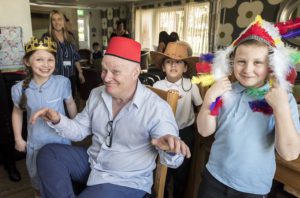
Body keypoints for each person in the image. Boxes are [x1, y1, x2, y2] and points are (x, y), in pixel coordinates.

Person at [31, 36, 191, 198]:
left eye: (115, 72)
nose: (106, 78)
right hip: (93, 162)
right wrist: (57, 119)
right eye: (104, 70)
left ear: (135, 72)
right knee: (48, 154)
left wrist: (171, 150)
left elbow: (173, 159)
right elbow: (79, 130)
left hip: (126, 180)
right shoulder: (97, 94)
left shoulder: (157, 108)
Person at [197, 15, 300, 197]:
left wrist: (281, 109)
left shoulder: (283, 99)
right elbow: (205, 131)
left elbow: (289, 153)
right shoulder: (225, 91)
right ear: (233, 61)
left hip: (251, 188)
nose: (247, 69)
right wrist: (209, 98)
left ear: (270, 66)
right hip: (214, 178)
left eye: (257, 62)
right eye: (241, 61)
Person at [11, 36, 77, 198]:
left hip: (60, 141)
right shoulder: (19, 88)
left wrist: (76, 127)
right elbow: (17, 112)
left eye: (50, 59)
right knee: (38, 183)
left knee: (62, 181)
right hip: (36, 144)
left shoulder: (62, 82)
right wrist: (18, 138)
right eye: (39, 59)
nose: (46, 64)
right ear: (27, 62)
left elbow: (70, 103)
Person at [151, 41, 202, 198]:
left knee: (182, 172)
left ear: (185, 68)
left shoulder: (190, 86)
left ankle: (179, 193)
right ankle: (163, 193)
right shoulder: (158, 85)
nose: (173, 65)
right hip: (163, 132)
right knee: (163, 168)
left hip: (185, 132)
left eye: (178, 62)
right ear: (163, 67)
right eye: (168, 61)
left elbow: (199, 106)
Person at [42, 10, 85, 96]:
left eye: (59, 19)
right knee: (57, 102)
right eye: (54, 20)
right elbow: (43, 58)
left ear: (63, 21)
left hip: (70, 76)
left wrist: (80, 72)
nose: (57, 22)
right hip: (54, 77)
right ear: (51, 22)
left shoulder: (70, 36)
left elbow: (75, 56)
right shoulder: (47, 37)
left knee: (70, 100)